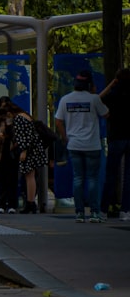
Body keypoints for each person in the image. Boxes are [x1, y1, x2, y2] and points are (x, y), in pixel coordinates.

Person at [55, 69, 109, 223]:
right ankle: (94, 213)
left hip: (74, 144)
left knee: (78, 178)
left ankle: (79, 213)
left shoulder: (65, 100)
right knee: (92, 179)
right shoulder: (94, 99)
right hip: (92, 145)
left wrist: (65, 137)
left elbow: (58, 121)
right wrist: (95, 94)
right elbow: (106, 114)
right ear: (90, 84)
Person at [0, 100, 48, 213]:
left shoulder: (19, 119)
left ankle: (30, 203)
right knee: (30, 176)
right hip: (34, 148)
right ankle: (31, 202)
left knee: (29, 176)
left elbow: (24, 136)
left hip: (28, 150)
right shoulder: (25, 115)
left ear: (10, 112)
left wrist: (24, 151)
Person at [99, 68, 130, 220]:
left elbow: (98, 99)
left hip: (116, 137)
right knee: (128, 177)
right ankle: (125, 210)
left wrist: (112, 84)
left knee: (111, 175)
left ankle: (104, 209)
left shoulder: (113, 94)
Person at [0, 96, 20, 214]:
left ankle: (12, 203)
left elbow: (15, 136)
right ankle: (1, 203)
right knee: (0, 180)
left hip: (11, 152)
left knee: (12, 179)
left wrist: (9, 122)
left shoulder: (14, 120)